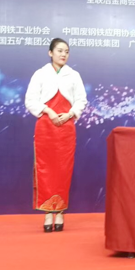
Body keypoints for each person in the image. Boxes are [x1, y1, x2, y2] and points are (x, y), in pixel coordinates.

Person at [25, 38, 88, 232]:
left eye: (66, 51)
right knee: (45, 169)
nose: (63, 54)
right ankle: (47, 213)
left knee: (63, 169)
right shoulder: (40, 74)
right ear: (50, 53)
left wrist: (70, 114)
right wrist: (49, 111)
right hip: (45, 127)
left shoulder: (74, 75)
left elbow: (81, 100)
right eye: (60, 50)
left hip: (66, 128)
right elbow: (30, 100)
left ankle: (60, 211)